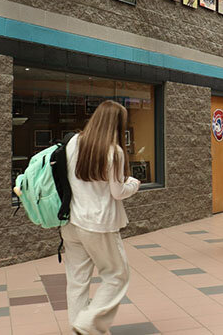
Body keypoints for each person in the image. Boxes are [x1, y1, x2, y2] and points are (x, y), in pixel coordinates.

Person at [62, 100, 141, 335]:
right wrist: (134, 184)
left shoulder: (74, 142)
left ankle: (79, 326)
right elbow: (118, 192)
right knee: (117, 275)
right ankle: (88, 324)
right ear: (117, 124)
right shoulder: (113, 152)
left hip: (71, 222)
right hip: (98, 224)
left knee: (77, 279)